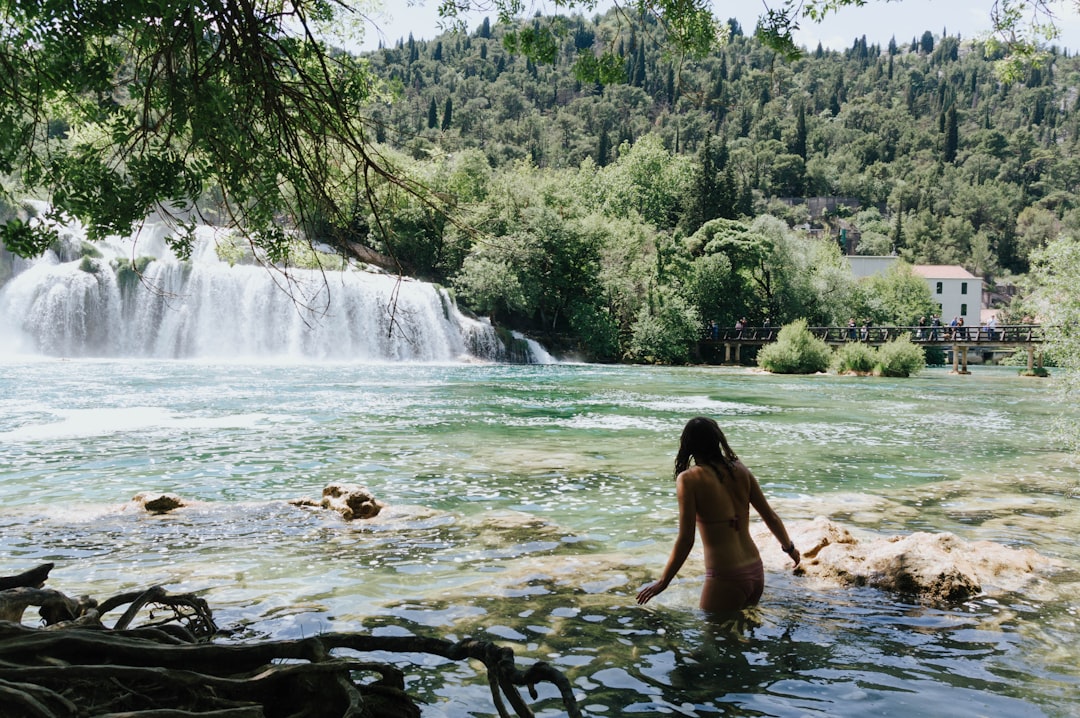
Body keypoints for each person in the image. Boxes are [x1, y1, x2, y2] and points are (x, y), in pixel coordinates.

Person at [636, 417, 800, 613]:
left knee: (712, 640)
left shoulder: (689, 479)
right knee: (743, 633)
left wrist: (663, 582)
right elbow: (770, 516)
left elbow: (686, 539)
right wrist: (790, 549)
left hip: (725, 577)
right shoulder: (739, 469)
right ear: (717, 440)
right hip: (756, 571)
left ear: (687, 445)